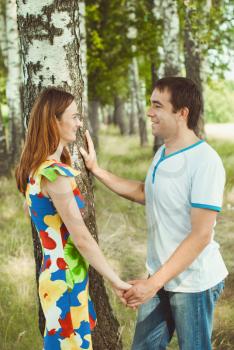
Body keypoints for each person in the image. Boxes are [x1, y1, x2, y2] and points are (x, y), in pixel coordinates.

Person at [80, 77, 228, 350]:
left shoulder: (205, 162)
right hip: (159, 277)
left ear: (182, 113)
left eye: (157, 106)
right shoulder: (163, 153)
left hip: (193, 282)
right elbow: (146, 193)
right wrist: (97, 170)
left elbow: (201, 235)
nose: (149, 112)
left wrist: (152, 284)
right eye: (150, 105)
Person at [15, 88, 130, 350]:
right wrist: (116, 280)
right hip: (66, 280)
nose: (80, 123)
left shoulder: (35, 169)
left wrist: (94, 168)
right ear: (54, 121)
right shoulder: (55, 174)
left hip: (56, 274)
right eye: (75, 117)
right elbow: (81, 238)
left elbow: (40, 217)